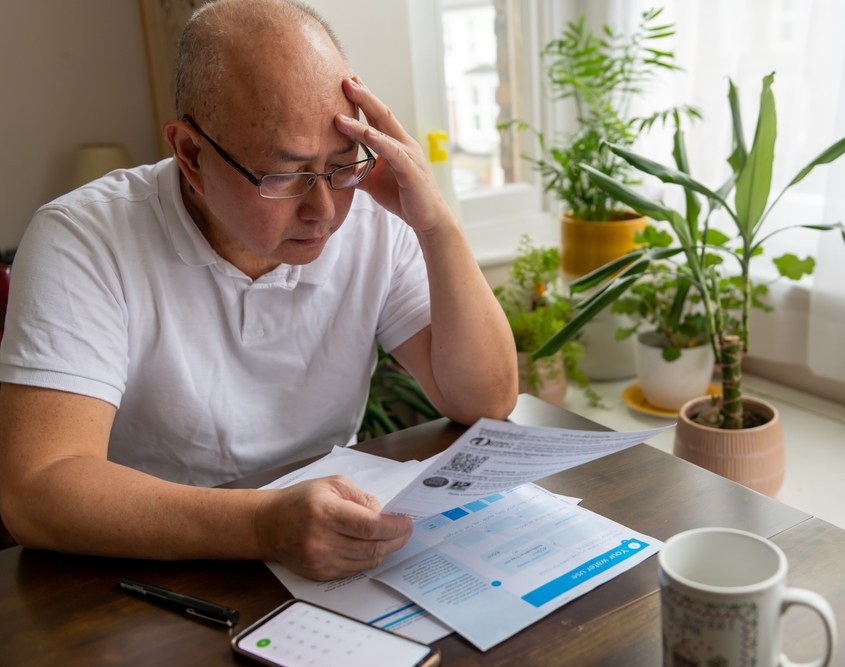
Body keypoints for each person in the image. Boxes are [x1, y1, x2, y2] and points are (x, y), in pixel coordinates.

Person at [0, 0, 517, 581]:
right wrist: (262, 524)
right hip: (147, 563)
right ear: (191, 156)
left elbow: (483, 401)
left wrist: (436, 225)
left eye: (343, 164)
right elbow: (37, 490)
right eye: (286, 175)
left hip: (334, 548)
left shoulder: (374, 214)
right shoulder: (82, 238)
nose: (323, 210)